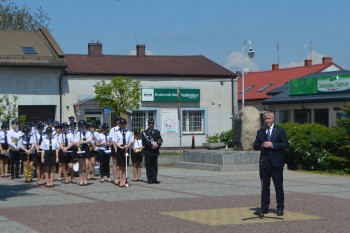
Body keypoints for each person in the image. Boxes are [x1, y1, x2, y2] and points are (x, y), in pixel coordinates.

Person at [253, 111, 289, 217]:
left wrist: (273, 145)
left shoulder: (280, 130)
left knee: (278, 186)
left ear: (273, 119)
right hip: (264, 163)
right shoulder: (260, 131)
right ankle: (264, 208)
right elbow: (255, 145)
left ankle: (280, 208)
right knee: (264, 187)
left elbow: (285, 144)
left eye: (269, 119)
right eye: (265, 119)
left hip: (276, 163)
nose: (267, 121)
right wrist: (262, 145)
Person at [112, 118, 133, 188]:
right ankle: (121, 180)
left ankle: (124, 180)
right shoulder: (117, 132)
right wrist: (119, 147)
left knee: (125, 165)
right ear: (120, 125)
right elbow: (115, 141)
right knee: (120, 166)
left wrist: (128, 145)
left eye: (124, 124)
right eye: (122, 124)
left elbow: (131, 141)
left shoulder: (129, 132)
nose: (123, 126)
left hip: (126, 149)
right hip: (120, 148)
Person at [141, 119, 163, 184]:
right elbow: (144, 141)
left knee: (155, 165)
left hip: (155, 151)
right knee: (148, 165)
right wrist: (151, 145)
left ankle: (154, 178)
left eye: (152, 124)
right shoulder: (144, 132)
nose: (151, 125)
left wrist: (157, 145)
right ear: (148, 124)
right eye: (150, 124)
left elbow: (160, 140)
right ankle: (150, 179)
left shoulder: (157, 132)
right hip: (148, 151)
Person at [74, 120, 92, 186]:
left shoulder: (89, 133)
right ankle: (81, 179)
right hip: (80, 148)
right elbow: (76, 142)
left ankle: (85, 178)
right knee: (80, 165)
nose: (82, 127)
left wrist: (82, 142)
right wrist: (79, 148)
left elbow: (89, 140)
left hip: (86, 148)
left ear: (85, 126)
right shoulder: (77, 133)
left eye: (83, 125)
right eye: (80, 126)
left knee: (87, 165)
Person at [109, 116, 121, 184]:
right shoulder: (113, 129)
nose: (119, 122)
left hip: (121, 146)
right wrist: (115, 146)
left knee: (121, 163)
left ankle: (121, 177)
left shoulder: (123, 129)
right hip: (114, 146)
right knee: (115, 163)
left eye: (120, 120)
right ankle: (115, 178)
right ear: (116, 121)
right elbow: (111, 139)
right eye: (118, 120)